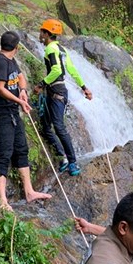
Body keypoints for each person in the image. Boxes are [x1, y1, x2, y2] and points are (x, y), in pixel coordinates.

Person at [0, 31, 52, 211]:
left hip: (13, 114)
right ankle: (3, 200)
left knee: (21, 150)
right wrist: (19, 101)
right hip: (1, 116)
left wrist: (22, 91)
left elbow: (20, 76)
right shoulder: (0, 62)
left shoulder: (10, 61)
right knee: (4, 154)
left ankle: (29, 191)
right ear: (16, 48)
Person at [33, 18, 93, 176]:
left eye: (42, 32)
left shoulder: (51, 50)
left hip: (56, 92)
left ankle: (73, 162)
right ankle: (63, 156)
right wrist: (84, 87)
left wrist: (41, 84)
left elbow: (57, 70)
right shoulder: (62, 50)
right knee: (46, 127)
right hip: (57, 92)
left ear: (47, 34)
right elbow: (72, 71)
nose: (40, 34)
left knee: (58, 127)